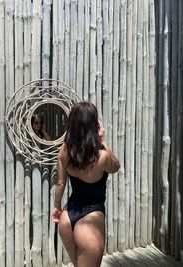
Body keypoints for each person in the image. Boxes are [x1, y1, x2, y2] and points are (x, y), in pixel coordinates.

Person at [51, 102, 120, 267]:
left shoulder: (65, 150)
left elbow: (60, 183)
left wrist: (57, 207)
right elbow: (116, 166)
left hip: (67, 219)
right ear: (94, 125)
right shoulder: (101, 157)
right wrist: (103, 140)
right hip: (91, 219)